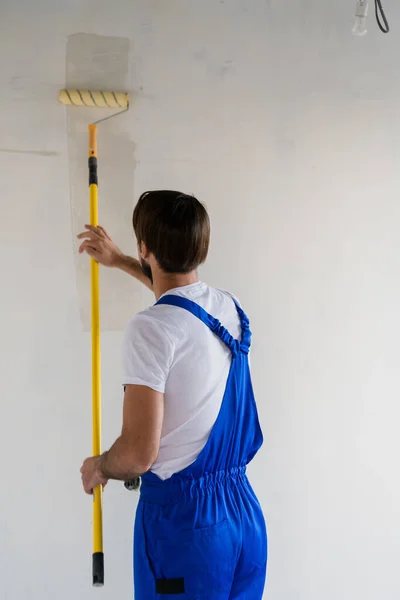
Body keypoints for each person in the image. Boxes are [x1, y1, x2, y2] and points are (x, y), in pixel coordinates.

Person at [79, 190, 267, 599]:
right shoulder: (228, 308)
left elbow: (138, 454)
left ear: (145, 247)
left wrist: (101, 466)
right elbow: (178, 300)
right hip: (243, 521)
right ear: (201, 245)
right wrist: (120, 261)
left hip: (186, 531)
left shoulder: (150, 329)